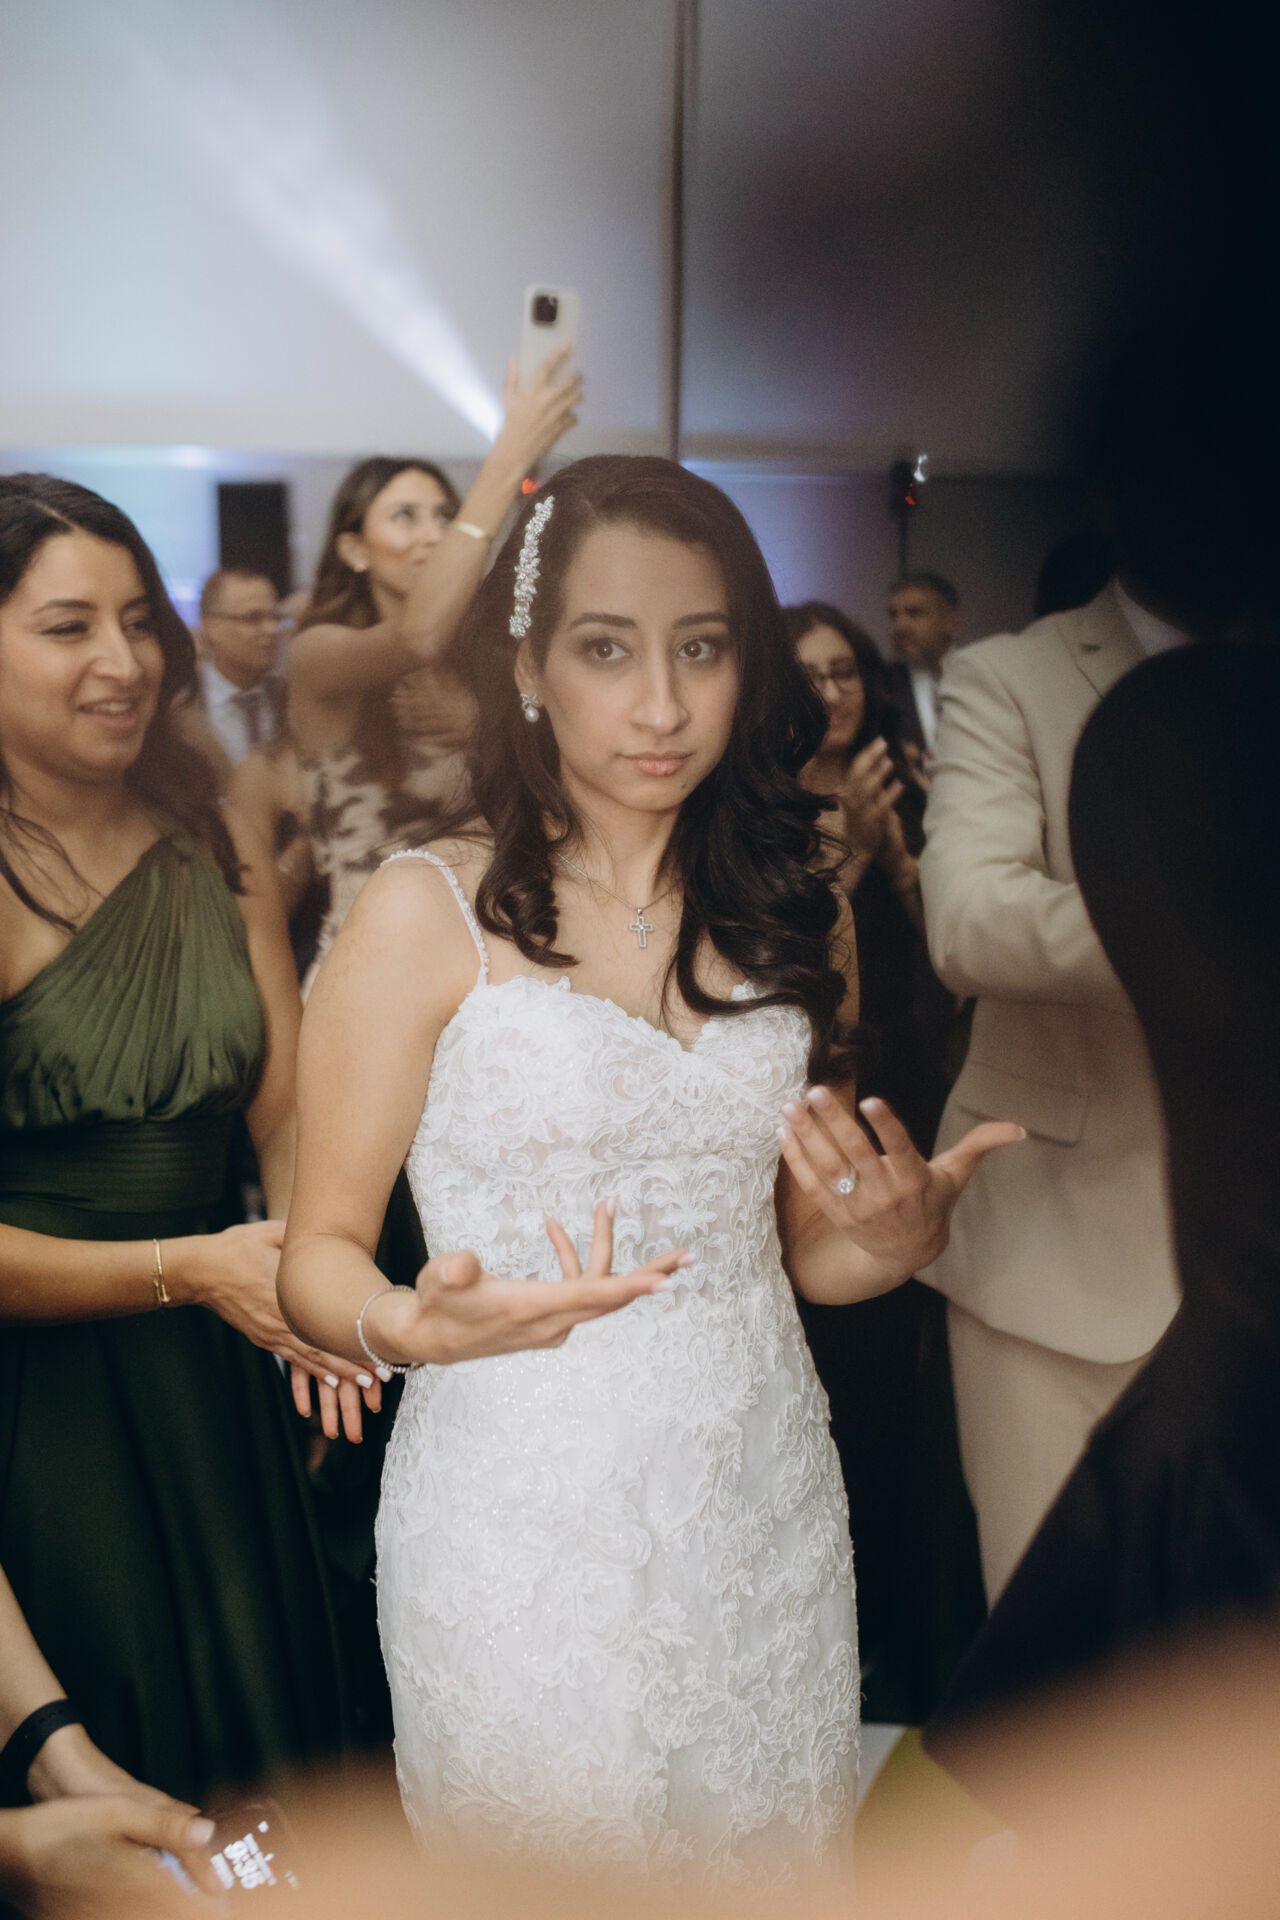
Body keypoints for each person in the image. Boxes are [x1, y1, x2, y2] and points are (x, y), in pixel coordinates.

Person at [278, 455, 1021, 1882]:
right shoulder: (422, 912)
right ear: (530, 667)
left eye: (701, 649)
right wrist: (403, 1324)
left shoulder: (799, 906)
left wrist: (893, 1238)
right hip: (516, 1509)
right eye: (608, 651)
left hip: (758, 1485)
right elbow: (317, 1253)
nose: (663, 707)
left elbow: (802, 1253)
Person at [0, 474, 376, 1807]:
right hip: (44, 1406)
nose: (122, 661)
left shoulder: (212, 840)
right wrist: (192, 1270)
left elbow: (283, 1104)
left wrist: (313, 1279)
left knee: (267, 1767)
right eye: (67, 627)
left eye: (136, 622)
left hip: (222, 1368)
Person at [927, 641, 1280, 1771]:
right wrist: (1205, 905)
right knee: (1067, 1727)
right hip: (1055, 1262)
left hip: (1254, 1268)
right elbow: (966, 918)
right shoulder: (1007, 676)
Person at [785, 602, 983, 1722]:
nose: (832, 690)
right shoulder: (754, 810)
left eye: (845, 669)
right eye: (808, 673)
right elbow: (806, 978)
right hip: (818, 1095)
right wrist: (846, 852)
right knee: (836, 1354)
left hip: (901, 1071)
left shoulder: (902, 783)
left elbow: (950, 949)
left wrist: (894, 853)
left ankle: (894, 1622)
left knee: (897, 1353)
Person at [287, 351, 582, 977]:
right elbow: (416, 636)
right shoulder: (319, 654)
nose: (433, 534)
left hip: (482, 963)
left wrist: (484, 724)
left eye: (445, 516)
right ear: (354, 550)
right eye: (406, 517)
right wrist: (509, 456)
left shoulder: (483, 670)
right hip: (368, 965)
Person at [194, 568, 286, 768]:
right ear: (212, 628)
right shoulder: (181, 706)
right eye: (253, 618)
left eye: (275, 617)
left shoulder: (290, 698)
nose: (272, 630)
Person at [885, 572, 961, 764]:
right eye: (893, 615)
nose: (900, 626)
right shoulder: (881, 683)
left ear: (951, 620)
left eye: (914, 613)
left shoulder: (981, 675)